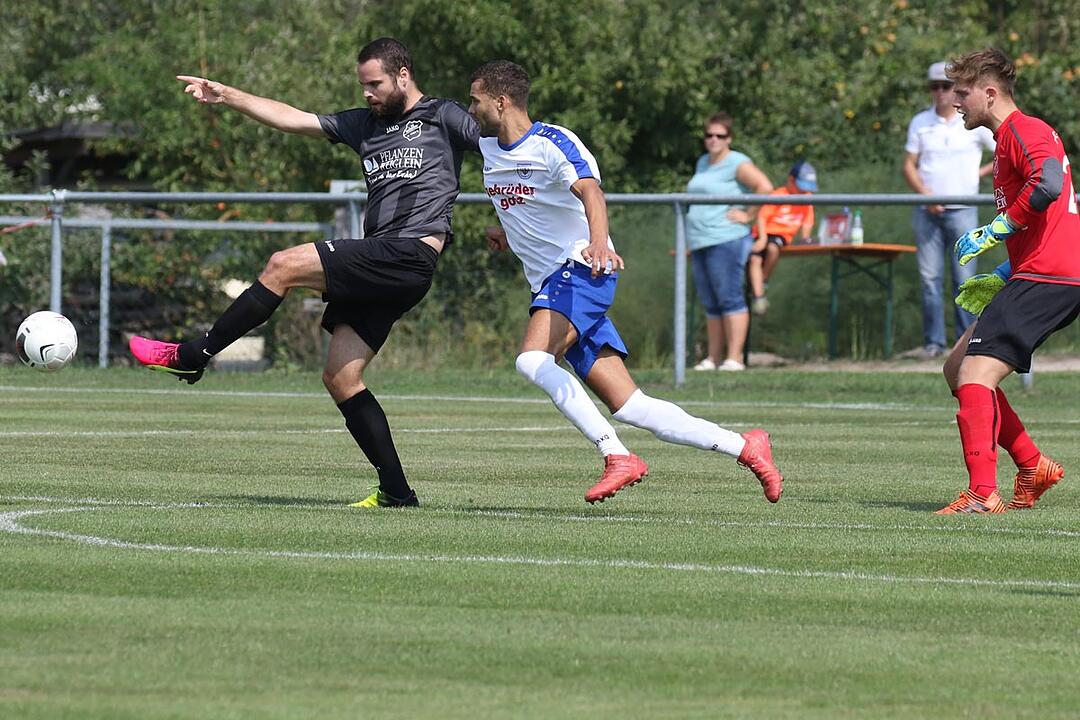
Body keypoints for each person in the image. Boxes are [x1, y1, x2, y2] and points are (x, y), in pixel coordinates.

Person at [128, 37, 480, 509]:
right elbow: (292, 117)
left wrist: (514, 214)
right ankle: (397, 492)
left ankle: (195, 353)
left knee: (282, 265)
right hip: (382, 260)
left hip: (408, 253)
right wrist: (227, 94)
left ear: (403, 75)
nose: (367, 94)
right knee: (340, 378)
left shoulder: (444, 115)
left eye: (374, 84)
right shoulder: (364, 125)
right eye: (362, 86)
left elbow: (503, 147)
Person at [466, 60, 783, 504]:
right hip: (554, 282)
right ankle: (746, 446)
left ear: (501, 101)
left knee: (531, 360)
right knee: (633, 406)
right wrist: (506, 230)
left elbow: (590, 192)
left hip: (580, 271)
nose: (471, 107)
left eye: (476, 99)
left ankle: (616, 455)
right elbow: (530, 202)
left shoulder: (553, 142)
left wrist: (599, 243)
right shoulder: (487, 146)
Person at [934, 47, 1078, 514]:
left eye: (963, 93)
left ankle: (981, 493)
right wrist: (1003, 270)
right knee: (957, 368)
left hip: (1051, 275)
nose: (957, 102)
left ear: (989, 92)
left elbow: (1050, 184)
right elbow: (1051, 212)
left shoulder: (1024, 129)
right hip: (1039, 270)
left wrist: (999, 228)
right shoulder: (1007, 140)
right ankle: (1032, 465)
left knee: (975, 374)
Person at [902, 61, 996, 359]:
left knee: (964, 281)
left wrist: (976, 176)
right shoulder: (920, 122)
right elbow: (908, 164)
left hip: (964, 209)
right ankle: (934, 343)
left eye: (947, 86)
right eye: (935, 87)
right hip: (927, 212)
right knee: (930, 279)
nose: (941, 93)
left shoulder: (969, 120)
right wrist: (925, 194)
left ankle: (967, 343)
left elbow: (1002, 150)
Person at [686, 113, 773, 371]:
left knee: (729, 298)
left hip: (727, 239)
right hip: (701, 241)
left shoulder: (738, 163)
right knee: (710, 302)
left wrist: (748, 216)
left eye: (719, 136)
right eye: (709, 135)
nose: (713, 140)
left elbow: (764, 187)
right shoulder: (703, 162)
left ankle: (734, 358)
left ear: (729, 139)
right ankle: (713, 358)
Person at [748, 161, 818, 314]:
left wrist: (805, 239)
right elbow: (762, 217)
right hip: (762, 232)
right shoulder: (779, 195)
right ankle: (758, 297)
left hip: (782, 235)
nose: (804, 192)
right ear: (791, 181)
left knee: (773, 249)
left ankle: (762, 281)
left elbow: (807, 222)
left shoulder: (807, 199)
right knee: (754, 259)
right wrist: (762, 238)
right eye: (801, 187)